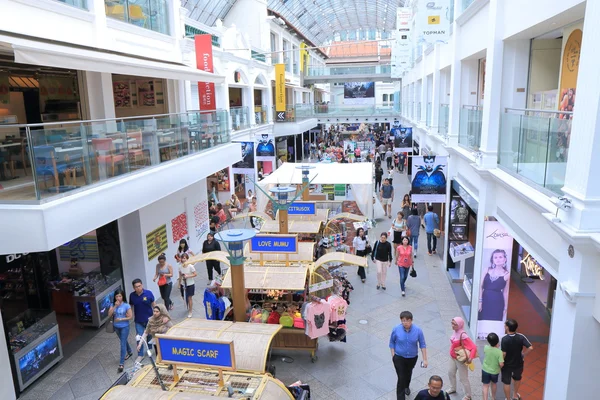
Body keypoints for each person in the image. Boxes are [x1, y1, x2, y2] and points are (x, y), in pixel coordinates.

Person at [389, 311, 428, 399]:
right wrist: (393, 356)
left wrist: (425, 359)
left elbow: (422, 345)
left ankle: (406, 385)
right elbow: (392, 342)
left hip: (412, 357)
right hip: (399, 357)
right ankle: (400, 397)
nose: (405, 323)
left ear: (411, 320)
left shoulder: (418, 330)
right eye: (403, 320)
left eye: (407, 320)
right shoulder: (396, 329)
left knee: (408, 373)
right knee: (401, 377)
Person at [501, 319, 533, 400]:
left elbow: (504, 353)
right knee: (517, 378)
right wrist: (523, 355)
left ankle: (508, 399)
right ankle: (515, 395)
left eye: (505, 325)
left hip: (507, 364)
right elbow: (530, 347)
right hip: (518, 363)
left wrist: (501, 361)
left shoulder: (504, 339)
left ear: (507, 327)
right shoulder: (521, 336)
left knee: (506, 382)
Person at [447, 317, 477, 400]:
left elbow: (474, 347)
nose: (452, 326)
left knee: (463, 378)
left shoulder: (463, 335)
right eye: (452, 323)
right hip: (453, 357)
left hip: (460, 359)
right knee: (450, 373)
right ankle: (453, 388)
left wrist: (470, 358)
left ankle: (468, 395)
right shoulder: (455, 331)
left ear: (460, 325)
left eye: (455, 324)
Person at [478, 249, 510, 321]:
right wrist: (480, 301)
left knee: (495, 321)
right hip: (485, 299)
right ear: (492, 260)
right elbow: (480, 286)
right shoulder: (487, 270)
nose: (498, 259)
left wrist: (505, 307)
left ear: (505, 259)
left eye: (500, 257)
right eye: (495, 257)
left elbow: (505, 292)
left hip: (497, 302)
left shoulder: (507, 274)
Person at [129, 279, 155, 364]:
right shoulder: (132, 296)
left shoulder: (148, 293)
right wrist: (130, 315)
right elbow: (131, 306)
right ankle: (140, 355)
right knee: (139, 337)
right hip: (138, 321)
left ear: (142, 285)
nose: (138, 288)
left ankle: (149, 349)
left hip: (149, 319)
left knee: (150, 336)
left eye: (139, 286)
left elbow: (154, 305)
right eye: (136, 287)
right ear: (134, 288)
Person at [108, 289, 133, 373]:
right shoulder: (113, 305)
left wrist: (122, 319)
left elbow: (130, 317)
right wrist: (115, 306)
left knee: (122, 343)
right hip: (116, 327)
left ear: (123, 296)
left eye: (120, 296)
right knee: (123, 340)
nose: (118, 298)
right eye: (116, 296)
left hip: (124, 326)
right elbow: (109, 314)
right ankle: (129, 351)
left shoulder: (126, 305)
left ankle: (121, 363)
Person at [481, 332, 504, 400]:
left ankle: (485, 399)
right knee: (493, 384)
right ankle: (493, 397)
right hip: (494, 372)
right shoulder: (499, 352)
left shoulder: (486, 347)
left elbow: (488, 352)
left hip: (485, 370)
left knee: (485, 386)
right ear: (497, 342)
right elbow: (501, 364)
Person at [179, 253, 197, 318]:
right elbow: (180, 275)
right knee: (184, 296)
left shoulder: (190, 266)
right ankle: (188, 306)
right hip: (183, 284)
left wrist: (188, 276)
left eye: (184, 258)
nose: (183, 260)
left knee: (189, 297)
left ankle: (190, 311)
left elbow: (195, 274)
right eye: (182, 258)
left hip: (190, 284)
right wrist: (179, 283)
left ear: (187, 259)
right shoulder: (180, 266)